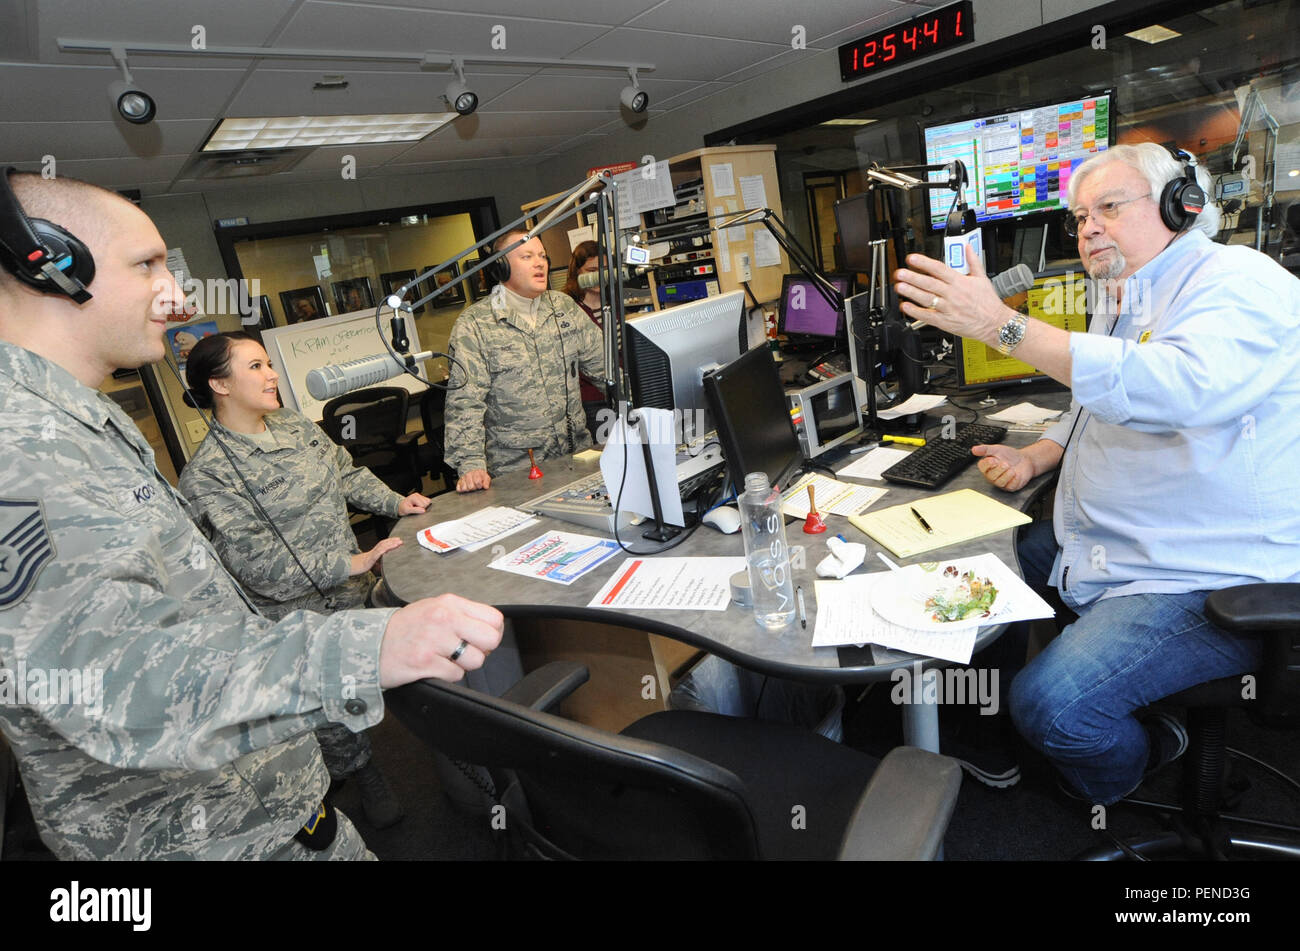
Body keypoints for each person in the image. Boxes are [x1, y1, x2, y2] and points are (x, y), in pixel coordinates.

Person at [0, 170, 503, 859]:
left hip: (265, 810)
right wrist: (367, 646)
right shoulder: (19, 443)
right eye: (146, 264)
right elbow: (106, 676)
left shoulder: (80, 423)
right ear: (50, 260)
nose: (176, 295)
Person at [892, 142, 1300, 805]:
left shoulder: (1239, 281)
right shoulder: (1124, 295)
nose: (1089, 227)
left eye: (1109, 207)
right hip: (1116, 536)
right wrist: (1037, 456)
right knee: (984, 562)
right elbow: (1092, 403)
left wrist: (1003, 327)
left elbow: (1173, 387)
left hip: (1205, 573)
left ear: (1179, 205)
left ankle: (1130, 767)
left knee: (1052, 704)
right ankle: (980, 730)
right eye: (1080, 216)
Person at [178, 330, 430, 829]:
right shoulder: (208, 475)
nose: (272, 375)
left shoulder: (294, 425)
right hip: (294, 618)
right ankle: (363, 775)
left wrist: (396, 502)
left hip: (354, 594)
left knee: (398, 677)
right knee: (330, 712)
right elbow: (256, 567)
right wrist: (352, 562)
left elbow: (347, 473)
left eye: (269, 364)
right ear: (219, 384)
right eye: (255, 367)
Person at [444, 230, 605, 492]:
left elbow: (606, 370)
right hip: (516, 472)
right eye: (527, 256)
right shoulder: (475, 325)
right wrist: (471, 463)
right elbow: (465, 403)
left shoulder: (563, 308)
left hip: (578, 458)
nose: (540, 262)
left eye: (542, 255)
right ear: (502, 266)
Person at [562, 240, 609, 441]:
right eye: (591, 270)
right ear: (578, 273)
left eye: (604, 269)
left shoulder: (614, 303)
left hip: (616, 395)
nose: (599, 276)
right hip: (591, 402)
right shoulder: (569, 310)